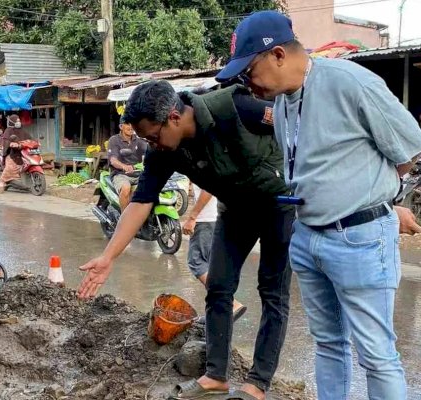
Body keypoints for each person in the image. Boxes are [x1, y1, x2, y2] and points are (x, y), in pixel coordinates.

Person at [216, 11, 421, 400]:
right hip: (308, 236)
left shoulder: (350, 82)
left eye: (250, 70)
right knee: (328, 343)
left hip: (358, 237)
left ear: (277, 55)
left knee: (376, 354)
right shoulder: (282, 105)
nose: (248, 83)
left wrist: (370, 192)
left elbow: (408, 147)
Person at [78, 80, 294, 400]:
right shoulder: (162, 150)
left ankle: (257, 384)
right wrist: (109, 256)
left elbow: (297, 126)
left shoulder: (236, 108)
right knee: (219, 286)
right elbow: (141, 202)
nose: (152, 144)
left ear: (174, 118)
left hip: (278, 205)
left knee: (272, 292)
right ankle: (216, 376)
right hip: (235, 209)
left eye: (152, 135)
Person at [182, 184, 246, 323]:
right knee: (212, 266)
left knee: (196, 262)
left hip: (206, 220)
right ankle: (219, 310)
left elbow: (208, 188)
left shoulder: (203, 163)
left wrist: (192, 217)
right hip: (218, 217)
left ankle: (231, 302)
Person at [107, 116, 148, 211]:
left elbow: (149, 150)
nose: (131, 127)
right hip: (120, 174)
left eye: (132, 124)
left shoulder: (138, 140)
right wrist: (124, 166)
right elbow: (113, 160)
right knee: (126, 188)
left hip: (138, 173)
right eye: (128, 124)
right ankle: (124, 218)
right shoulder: (114, 140)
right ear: (121, 126)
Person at [0, 114, 32, 193]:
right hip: (12, 153)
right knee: (10, 168)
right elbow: (6, 142)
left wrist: (34, 142)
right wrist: (11, 144)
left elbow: (29, 138)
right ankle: (2, 182)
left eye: (19, 121)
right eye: (16, 121)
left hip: (23, 152)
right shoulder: (8, 131)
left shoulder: (23, 130)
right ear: (12, 122)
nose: (18, 122)